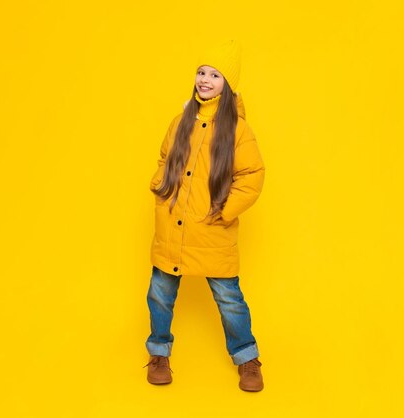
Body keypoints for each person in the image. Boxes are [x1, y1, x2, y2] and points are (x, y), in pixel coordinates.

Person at [143, 39, 265, 392]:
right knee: (160, 294)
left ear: (228, 84)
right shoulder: (180, 121)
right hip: (172, 228)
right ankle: (158, 353)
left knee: (229, 299)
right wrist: (160, 187)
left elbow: (252, 176)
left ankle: (247, 358)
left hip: (212, 229)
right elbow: (164, 158)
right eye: (201, 72)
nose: (204, 79)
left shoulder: (238, 130)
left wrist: (225, 211)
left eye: (214, 74)